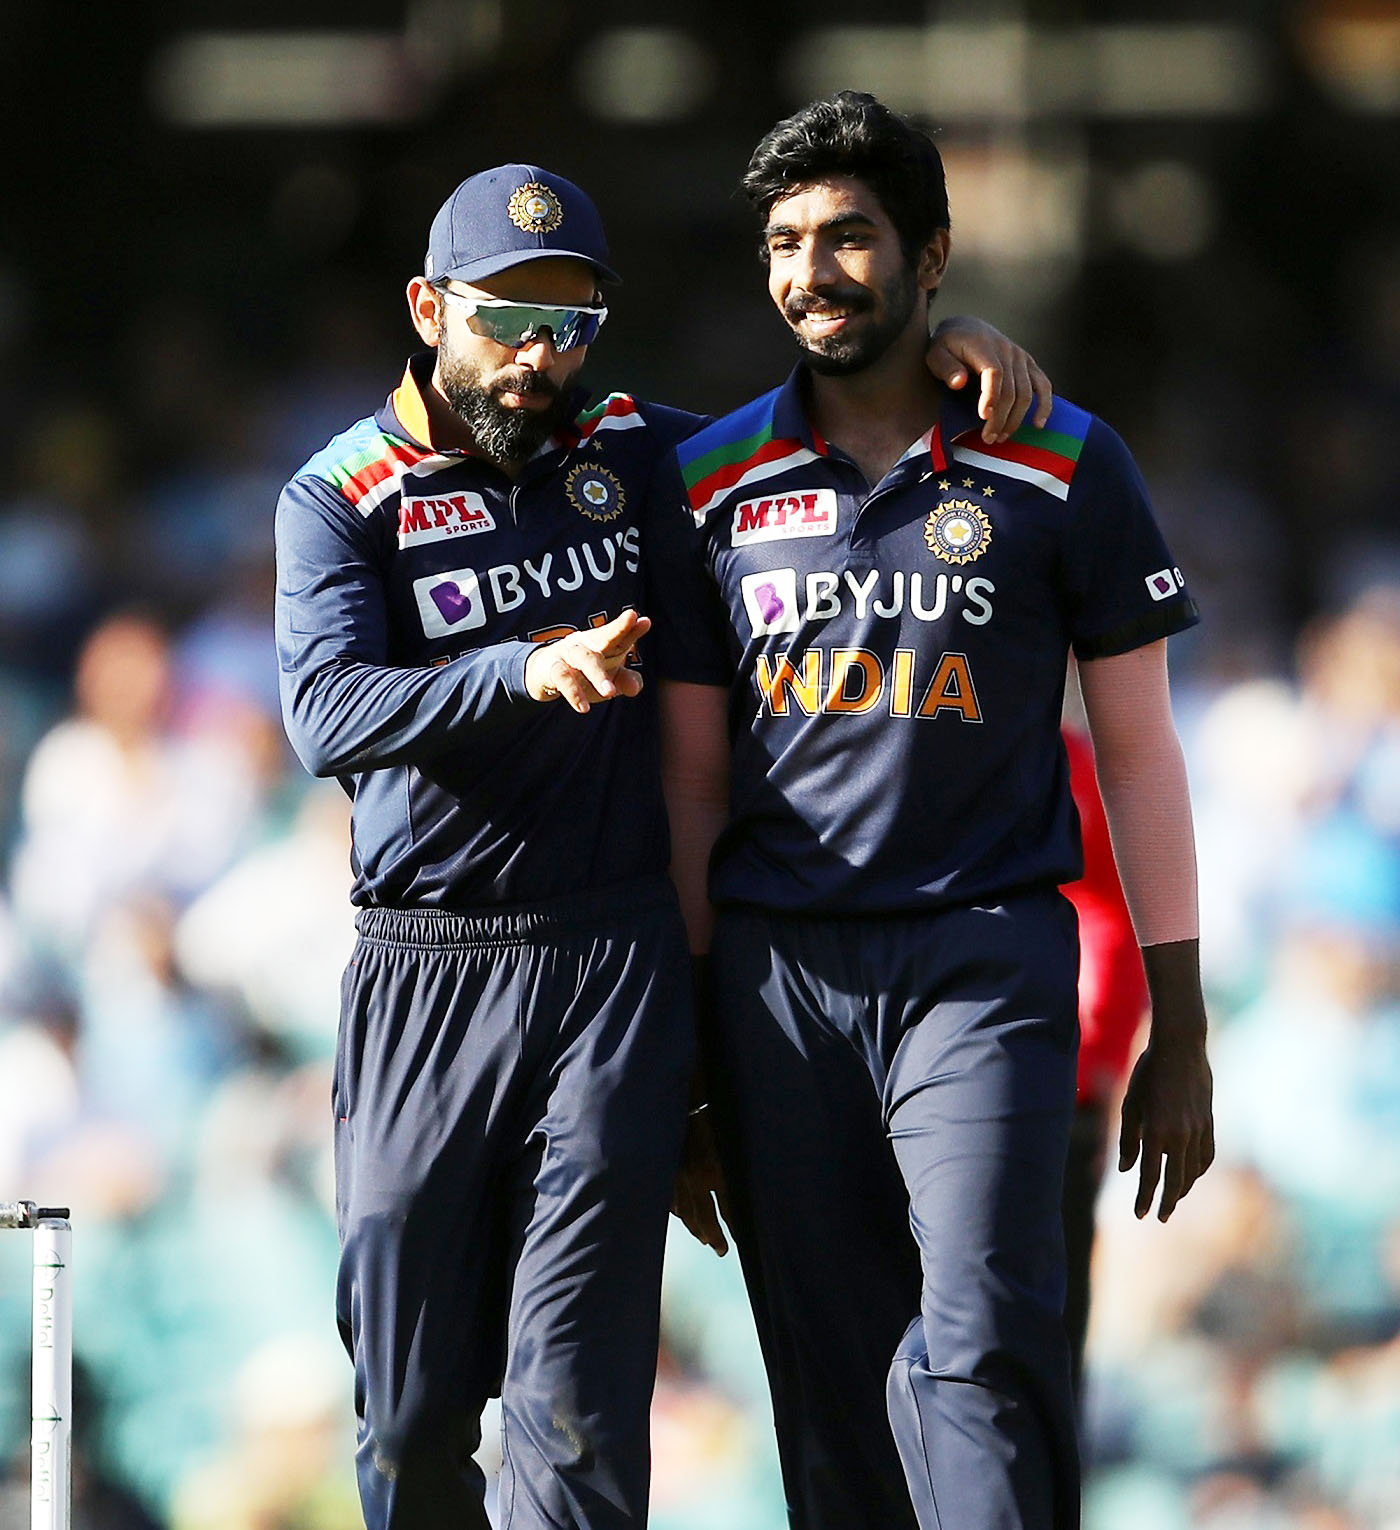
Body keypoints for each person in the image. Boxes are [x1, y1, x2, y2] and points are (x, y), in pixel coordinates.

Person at [274, 160, 1050, 1530]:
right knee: (404, 1423)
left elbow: (819, 433)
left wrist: (937, 359)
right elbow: (326, 711)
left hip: (610, 963)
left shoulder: (635, 448)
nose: (536, 360)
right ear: (426, 307)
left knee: (573, 1413)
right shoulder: (342, 496)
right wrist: (523, 669)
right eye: (506, 321)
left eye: (570, 325)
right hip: (427, 969)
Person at [652, 93, 1215, 1530]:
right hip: (780, 979)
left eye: (849, 236)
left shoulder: (1066, 462)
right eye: (785, 241)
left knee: (981, 1340)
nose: (811, 271)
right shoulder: (709, 479)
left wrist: (1181, 1024)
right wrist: (691, 1042)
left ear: (934, 254)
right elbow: (696, 783)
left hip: (986, 961)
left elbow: (1141, 756)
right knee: (832, 1394)